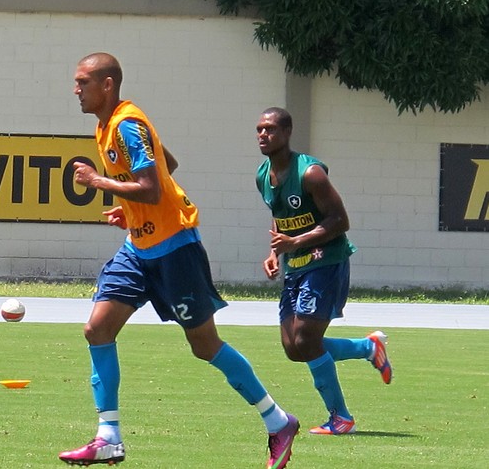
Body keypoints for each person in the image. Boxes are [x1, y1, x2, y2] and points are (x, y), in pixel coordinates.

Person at [58, 53, 299, 468]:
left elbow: (152, 188)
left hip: (175, 249)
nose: (75, 89)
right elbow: (167, 165)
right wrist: (131, 212)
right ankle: (108, 437)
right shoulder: (108, 125)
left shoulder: (127, 125)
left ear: (108, 84)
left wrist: (99, 183)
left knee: (204, 345)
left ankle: (278, 421)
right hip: (139, 247)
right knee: (97, 329)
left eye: (83, 82)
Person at [254, 107, 392, 435]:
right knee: (294, 348)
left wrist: (296, 241)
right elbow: (280, 215)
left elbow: (341, 221)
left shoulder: (310, 173)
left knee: (306, 338)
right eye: (259, 129)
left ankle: (340, 417)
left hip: (326, 261)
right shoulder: (262, 175)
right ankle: (368, 348)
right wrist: (275, 251)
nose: (263, 135)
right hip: (295, 266)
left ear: (287, 134)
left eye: (270, 129)